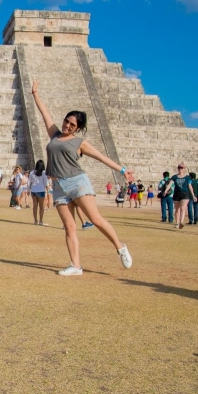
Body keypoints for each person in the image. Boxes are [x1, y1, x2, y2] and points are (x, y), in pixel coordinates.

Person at [31, 80, 134, 275]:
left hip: (78, 182)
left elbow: (101, 157)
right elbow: (45, 114)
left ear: (77, 128)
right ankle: (76, 265)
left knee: (95, 219)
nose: (67, 126)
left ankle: (120, 247)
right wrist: (35, 94)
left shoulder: (80, 142)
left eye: (72, 124)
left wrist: (122, 170)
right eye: (66, 121)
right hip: (58, 185)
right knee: (69, 227)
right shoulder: (54, 135)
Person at [162, 163, 196, 229]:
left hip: (185, 194)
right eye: (179, 167)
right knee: (177, 209)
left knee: (183, 208)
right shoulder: (174, 177)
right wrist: (166, 191)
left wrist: (193, 195)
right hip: (177, 194)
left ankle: (181, 222)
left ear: (184, 169)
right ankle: (177, 223)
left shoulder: (187, 178)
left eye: (181, 168)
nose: (180, 169)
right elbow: (170, 184)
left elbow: (190, 186)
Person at [28, 159, 48, 225]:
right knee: (41, 206)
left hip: (33, 190)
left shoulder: (32, 172)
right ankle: (41, 221)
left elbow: (29, 182)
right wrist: (47, 188)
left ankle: (35, 220)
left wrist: (28, 190)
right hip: (41, 190)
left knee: (35, 206)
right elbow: (45, 182)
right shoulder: (44, 173)